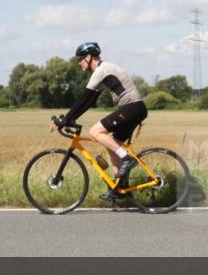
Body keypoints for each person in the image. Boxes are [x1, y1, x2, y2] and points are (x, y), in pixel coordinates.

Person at [50, 42, 148, 194]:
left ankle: (127, 160)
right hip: (134, 109)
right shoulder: (103, 72)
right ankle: (120, 188)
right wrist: (68, 118)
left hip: (132, 108)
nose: (79, 62)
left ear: (89, 57)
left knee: (95, 131)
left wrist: (65, 120)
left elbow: (84, 98)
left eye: (81, 58)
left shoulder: (101, 70)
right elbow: (89, 102)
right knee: (112, 145)